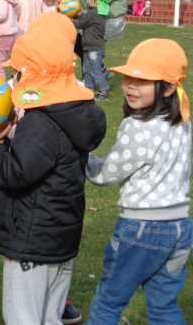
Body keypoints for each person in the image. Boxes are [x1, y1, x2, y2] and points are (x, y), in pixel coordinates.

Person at [0, 26, 107, 325]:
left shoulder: (39, 122)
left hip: (32, 243)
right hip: (60, 240)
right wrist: (7, 138)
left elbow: (15, 173)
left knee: (23, 318)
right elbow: (46, 155)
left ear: (26, 77)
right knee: (50, 317)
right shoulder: (70, 114)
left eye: (16, 72)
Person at [85, 38, 192, 325]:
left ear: (168, 87)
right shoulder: (184, 120)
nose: (131, 86)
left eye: (142, 81)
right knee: (164, 306)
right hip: (181, 228)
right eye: (129, 77)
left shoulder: (137, 127)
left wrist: (83, 157)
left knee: (109, 302)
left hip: (142, 229)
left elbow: (106, 175)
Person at [71, 0, 127, 79]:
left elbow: (97, 8)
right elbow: (75, 2)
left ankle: (89, 82)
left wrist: (81, 15)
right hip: (96, 15)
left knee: (86, 44)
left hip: (112, 17)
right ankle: (100, 70)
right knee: (76, 40)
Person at [72, 0, 111, 102]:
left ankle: (103, 91)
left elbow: (80, 24)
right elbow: (86, 22)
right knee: (86, 69)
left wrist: (70, 20)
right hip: (90, 47)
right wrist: (80, 18)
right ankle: (89, 88)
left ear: (95, 0)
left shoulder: (93, 13)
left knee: (95, 70)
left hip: (93, 49)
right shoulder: (100, 13)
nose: (87, 0)